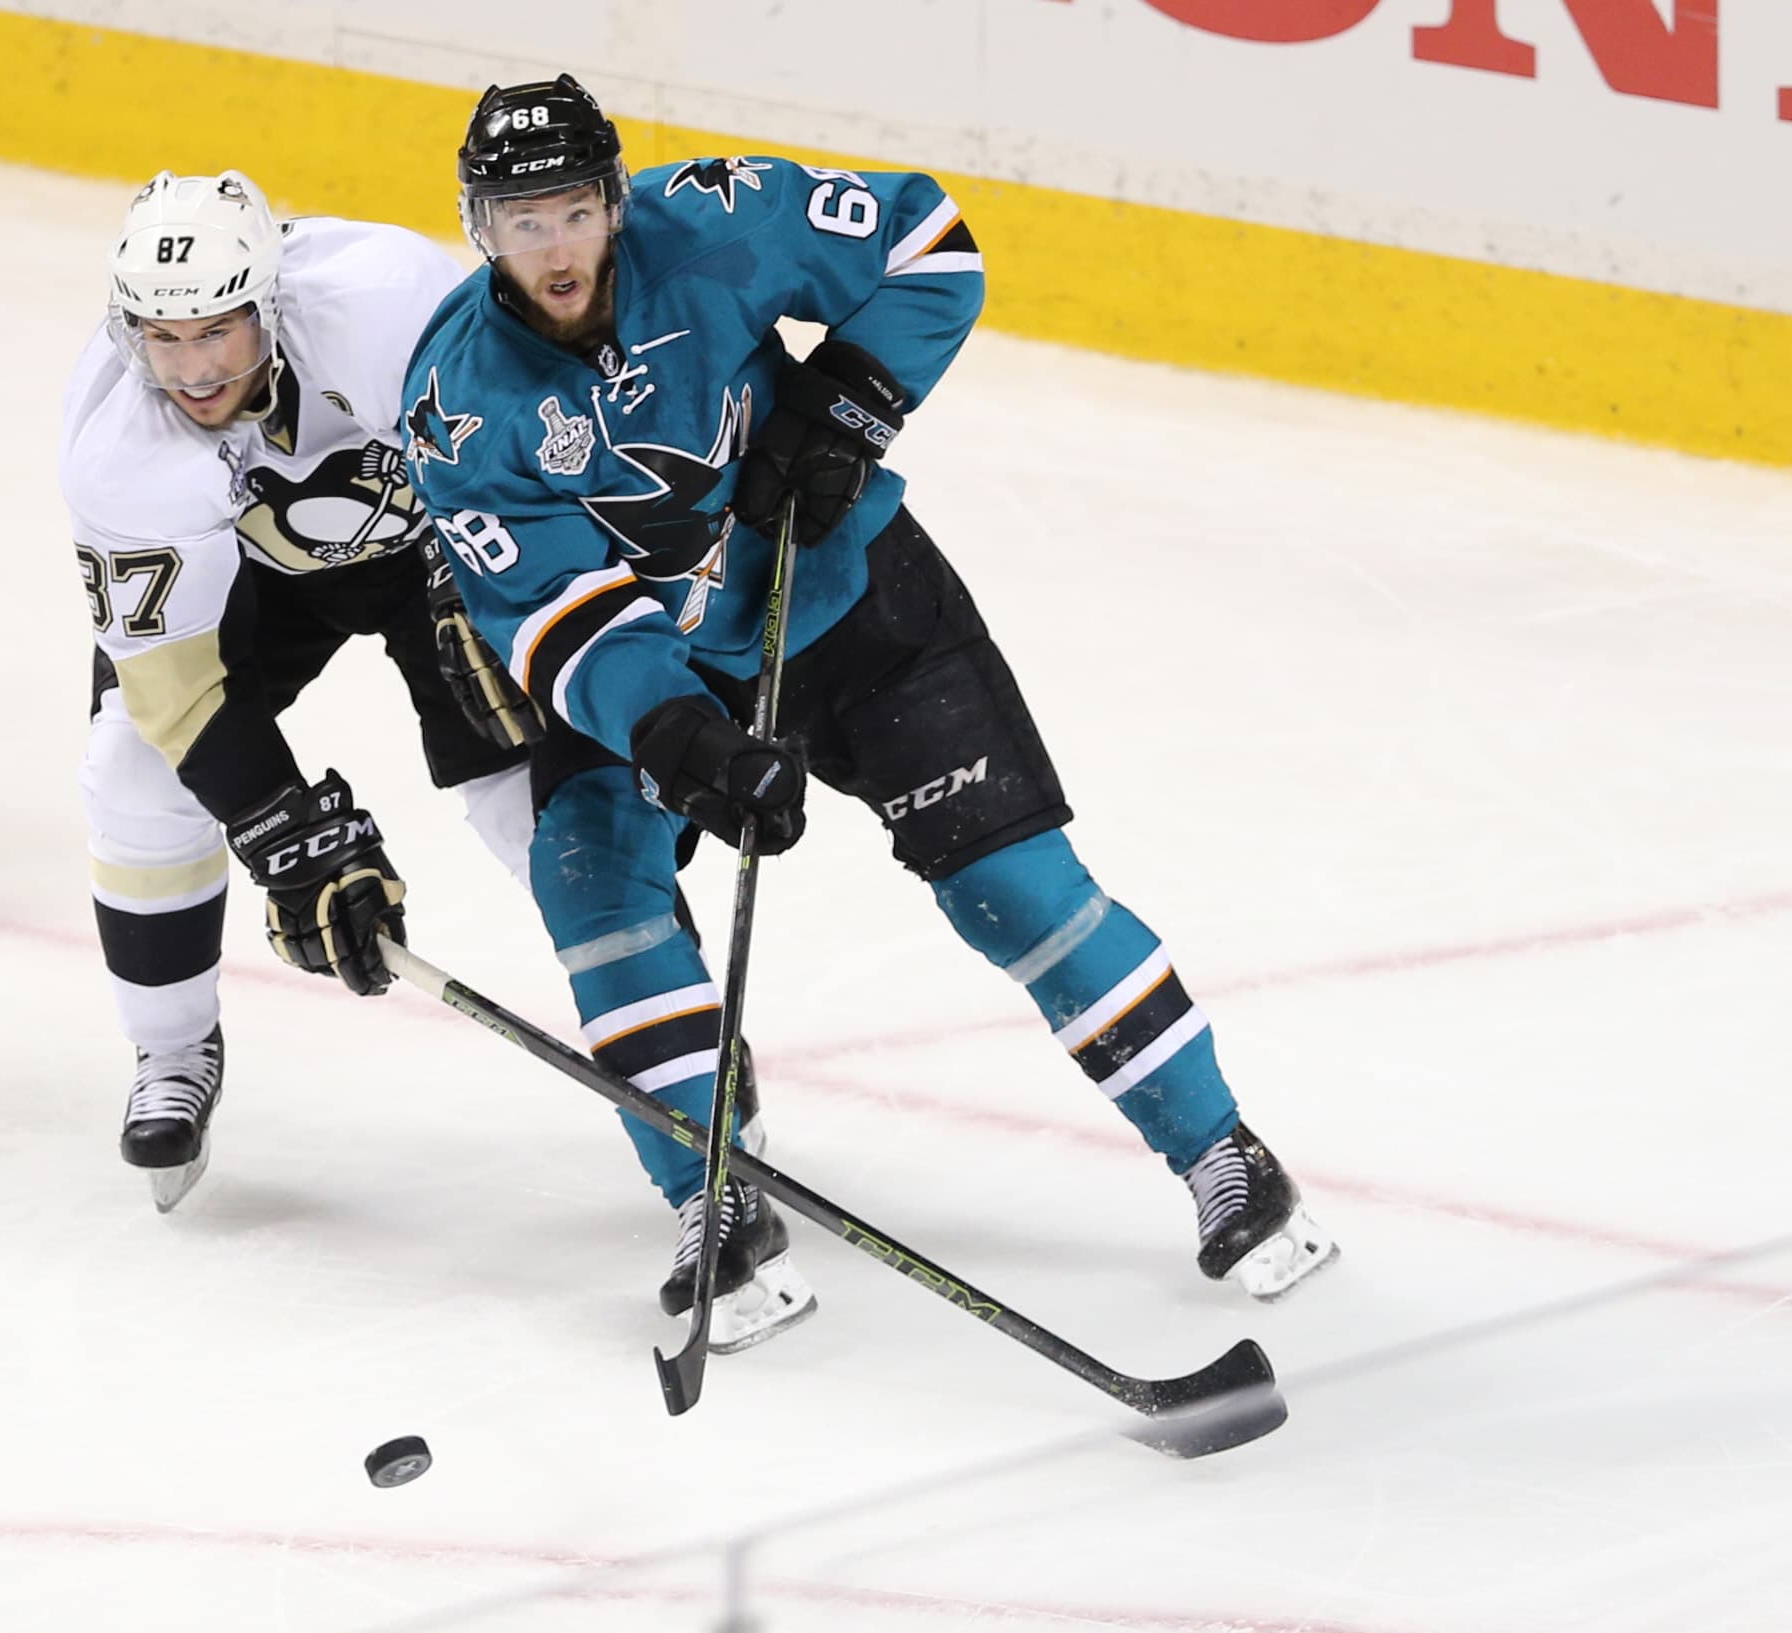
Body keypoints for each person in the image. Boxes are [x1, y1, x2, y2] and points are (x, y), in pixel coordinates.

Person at [403, 77, 1338, 1349]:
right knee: (596, 892)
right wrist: (681, 737)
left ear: (613, 201)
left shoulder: (715, 219)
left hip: (850, 600)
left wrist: (844, 403)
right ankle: (708, 1196)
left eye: (570, 212)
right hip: (664, 667)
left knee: (1011, 884)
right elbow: (554, 616)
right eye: (520, 223)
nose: (552, 249)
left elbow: (926, 242)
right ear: (477, 229)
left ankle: (1218, 1151)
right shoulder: (459, 402)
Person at [60, 169, 542, 1211]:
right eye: (163, 336)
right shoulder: (117, 447)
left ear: (268, 305)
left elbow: (518, 460)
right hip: (255, 581)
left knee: (533, 788)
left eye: (218, 332)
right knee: (133, 767)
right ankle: (172, 1052)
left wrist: (517, 603)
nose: (191, 368)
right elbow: (175, 687)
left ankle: (674, 1049)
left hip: (437, 549)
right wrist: (281, 831)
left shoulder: (388, 305)